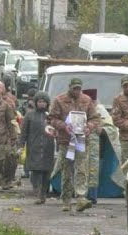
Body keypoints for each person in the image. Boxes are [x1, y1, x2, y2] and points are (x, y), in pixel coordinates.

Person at [47, 77, 99, 212]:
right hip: (66, 141)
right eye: (74, 88)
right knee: (67, 170)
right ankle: (66, 199)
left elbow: (95, 117)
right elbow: (52, 118)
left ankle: (81, 197)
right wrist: (64, 126)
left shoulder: (86, 100)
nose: (76, 91)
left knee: (82, 168)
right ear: (69, 87)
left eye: (78, 88)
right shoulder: (59, 100)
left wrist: (89, 126)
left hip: (82, 140)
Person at [20, 92, 55, 203]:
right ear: (35, 103)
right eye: (39, 101)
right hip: (33, 147)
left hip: (48, 148)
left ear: (47, 103)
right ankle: (38, 192)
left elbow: (57, 131)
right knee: (35, 171)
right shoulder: (29, 115)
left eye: (44, 102)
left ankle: (43, 193)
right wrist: (21, 145)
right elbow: (24, 133)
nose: (41, 104)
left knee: (46, 172)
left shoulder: (51, 116)